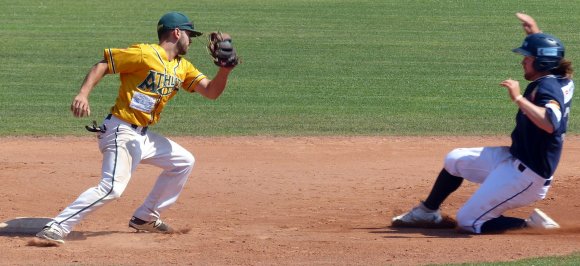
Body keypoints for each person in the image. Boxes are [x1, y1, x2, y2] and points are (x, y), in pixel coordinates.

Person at [35, 12, 237, 244]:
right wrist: (83, 94)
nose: (191, 40)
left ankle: (146, 216)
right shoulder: (144, 53)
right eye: (189, 34)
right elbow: (104, 64)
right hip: (120, 130)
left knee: (183, 161)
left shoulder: (182, 67)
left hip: (143, 136)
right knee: (112, 188)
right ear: (176, 32)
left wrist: (225, 71)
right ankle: (57, 226)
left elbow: (211, 92)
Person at [391, 13, 574, 234]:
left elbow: (550, 124)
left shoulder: (547, 88)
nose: (522, 61)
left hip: (528, 177)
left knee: (468, 221)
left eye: (527, 58)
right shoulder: (561, 78)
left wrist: (518, 98)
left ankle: (531, 225)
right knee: (455, 159)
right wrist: (535, 33)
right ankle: (427, 212)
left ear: (542, 62)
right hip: (514, 158)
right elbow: (550, 58)